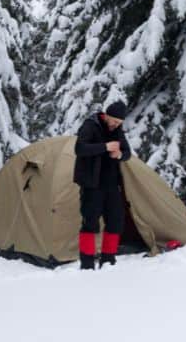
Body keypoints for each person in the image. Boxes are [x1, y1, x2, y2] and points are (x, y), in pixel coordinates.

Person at [73, 100, 132, 270]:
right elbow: (80, 149)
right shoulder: (90, 126)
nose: (115, 125)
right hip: (91, 184)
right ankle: (87, 264)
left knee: (115, 221)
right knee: (90, 223)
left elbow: (127, 153)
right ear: (106, 115)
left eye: (119, 123)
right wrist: (105, 147)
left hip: (112, 184)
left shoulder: (118, 130)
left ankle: (108, 261)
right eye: (113, 121)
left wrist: (120, 154)